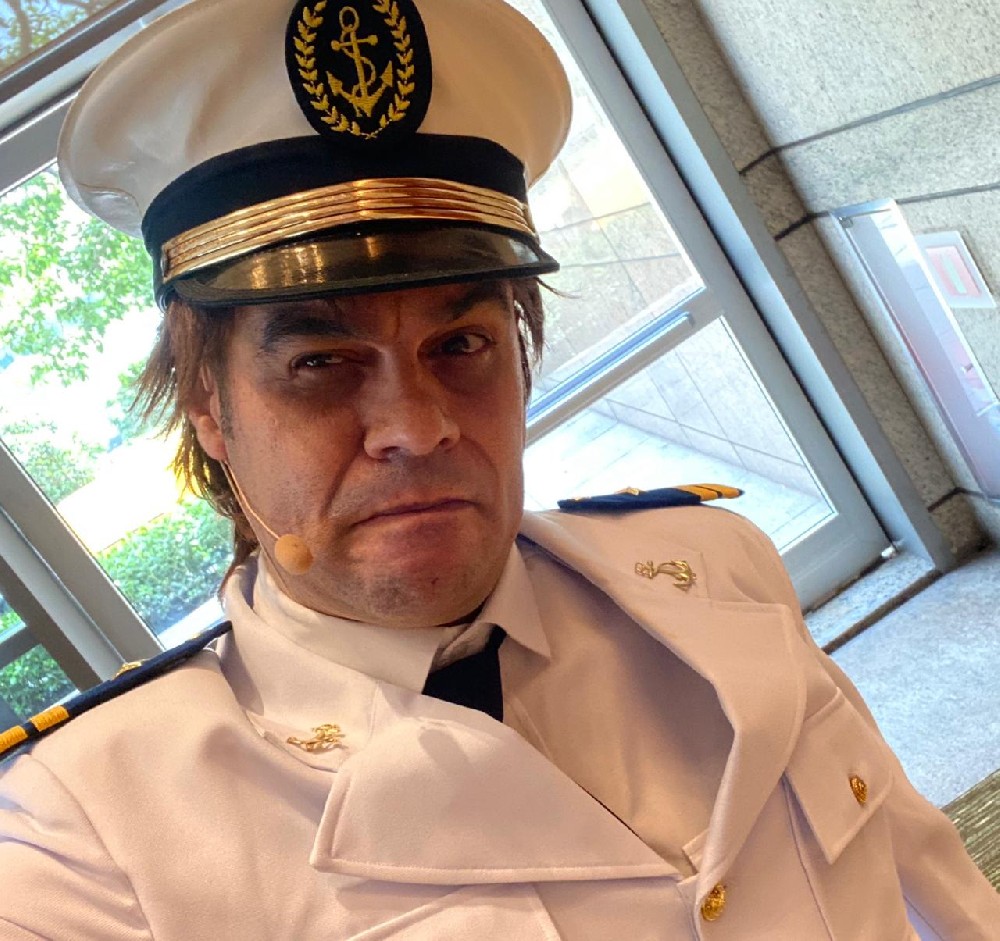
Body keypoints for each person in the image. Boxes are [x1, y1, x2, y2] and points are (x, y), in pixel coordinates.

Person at [0, 0, 997, 936]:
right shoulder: (93, 836)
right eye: (320, 363)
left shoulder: (713, 562)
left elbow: (932, 878)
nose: (416, 426)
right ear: (209, 408)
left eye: (461, 343)